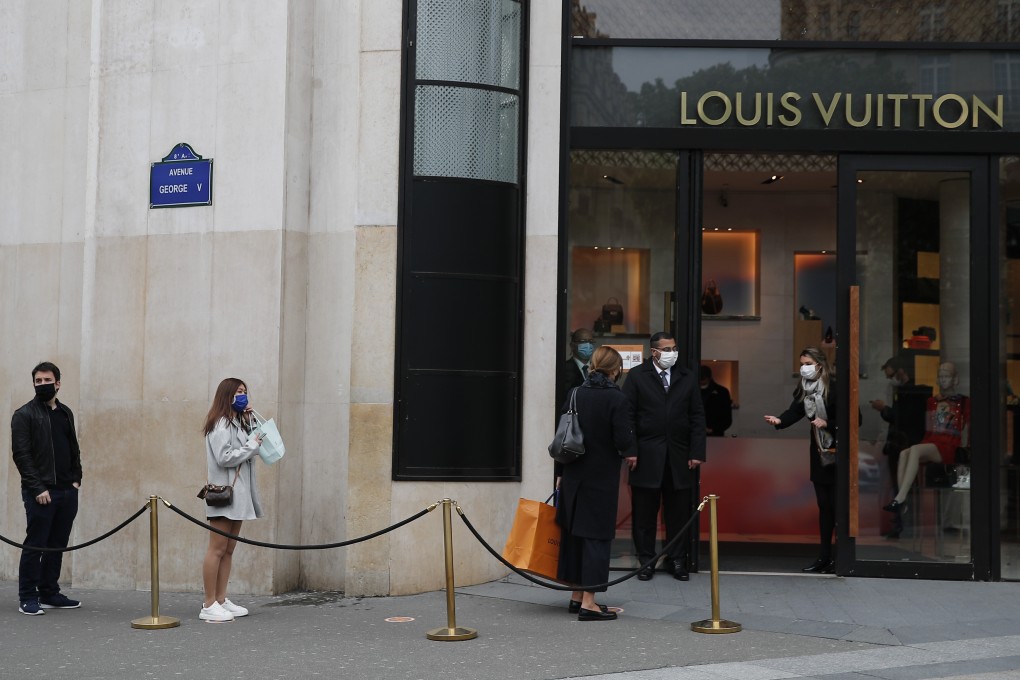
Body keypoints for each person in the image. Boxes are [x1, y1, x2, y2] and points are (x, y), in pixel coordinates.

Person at [556, 346, 635, 621]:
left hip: (573, 474)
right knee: (596, 538)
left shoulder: (575, 393)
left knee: (575, 536)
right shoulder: (617, 398)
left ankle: (576, 596)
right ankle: (589, 603)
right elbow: (623, 440)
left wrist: (560, 472)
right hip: (600, 477)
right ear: (616, 369)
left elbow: (562, 434)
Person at [623, 332, 707, 582]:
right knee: (644, 514)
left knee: (678, 513)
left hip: (679, 457)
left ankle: (676, 559)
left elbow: (697, 416)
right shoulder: (637, 376)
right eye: (667, 349)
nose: (672, 353)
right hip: (646, 455)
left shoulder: (686, 377)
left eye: (674, 348)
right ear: (654, 352)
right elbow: (627, 415)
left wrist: (697, 452)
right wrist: (630, 450)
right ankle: (646, 561)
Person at [11, 362, 84, 615]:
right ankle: (27, 596)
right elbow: (22, 455)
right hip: (41, 493)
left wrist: (76, 479)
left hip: (67, 491)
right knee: (35, 544)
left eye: (47, 380)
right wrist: (37, 488)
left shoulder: (65, 413)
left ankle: (49, 593)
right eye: (38, 381)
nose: (42, 385)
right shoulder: (24, 415)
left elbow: (74, 449)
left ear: (58, 383)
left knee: (57, 544)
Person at [764, 347, 840, 574]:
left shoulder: (835, 387)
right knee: (824, 505)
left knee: (837, 506)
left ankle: (840, 558)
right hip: (819, 451)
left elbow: (855, 418)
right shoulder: (804, 388)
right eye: (801, 364)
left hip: (838, 451)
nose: (804, 368)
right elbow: (795, 411)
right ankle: (824, 557)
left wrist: (828, 423)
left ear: (820, 365)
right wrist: (779, 421)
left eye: (808, 364)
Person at [200, 378, 266, 623]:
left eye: (245, 391)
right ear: (227, 394)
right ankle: (209, 603)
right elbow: (224, 457)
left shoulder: (236, 422)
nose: (243, 395)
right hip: (224, 494)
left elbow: (255, 442)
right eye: (238, 391)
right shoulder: (220, 424)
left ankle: (221, 598)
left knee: (228, 550)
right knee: (217, 549)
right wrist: (251, 446)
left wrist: (250, 421)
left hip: (238, 495)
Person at [883, 362, 970, 516]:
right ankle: (902, 500)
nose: (943, 379)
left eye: (947, 376)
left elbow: (969, 425)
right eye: (941, 376)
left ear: (955, 379)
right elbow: (930, 429)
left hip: (950, 445)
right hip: (933, 442)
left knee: (915, 450)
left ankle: (900, 499)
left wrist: (967, 446)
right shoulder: (932, 401)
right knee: (904, 453)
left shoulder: (963, 401)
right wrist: (925, 444)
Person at [869, 355, 932, 538]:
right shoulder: (904, 392)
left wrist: (884, 409)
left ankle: (905, 525)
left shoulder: (912, 393)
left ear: (901, 371)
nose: (891, 380)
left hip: (905, 444)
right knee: (900, 486)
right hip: (901, 445)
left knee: (904, 485)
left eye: (892, 375)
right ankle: (901, 524)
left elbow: (901, 418)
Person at [558, 328, 595, 409]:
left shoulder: (598, 369)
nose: (588, 345)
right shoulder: (563, 369)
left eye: (591, 341)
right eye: (583, 341)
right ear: (572, 345)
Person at [699, 364, 733, 437]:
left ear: (708, 378)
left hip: (714, 434)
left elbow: (727, 417)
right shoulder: (691, 391)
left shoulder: (722, 392)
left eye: (703, 379)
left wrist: (714, 429)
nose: (701, 382)